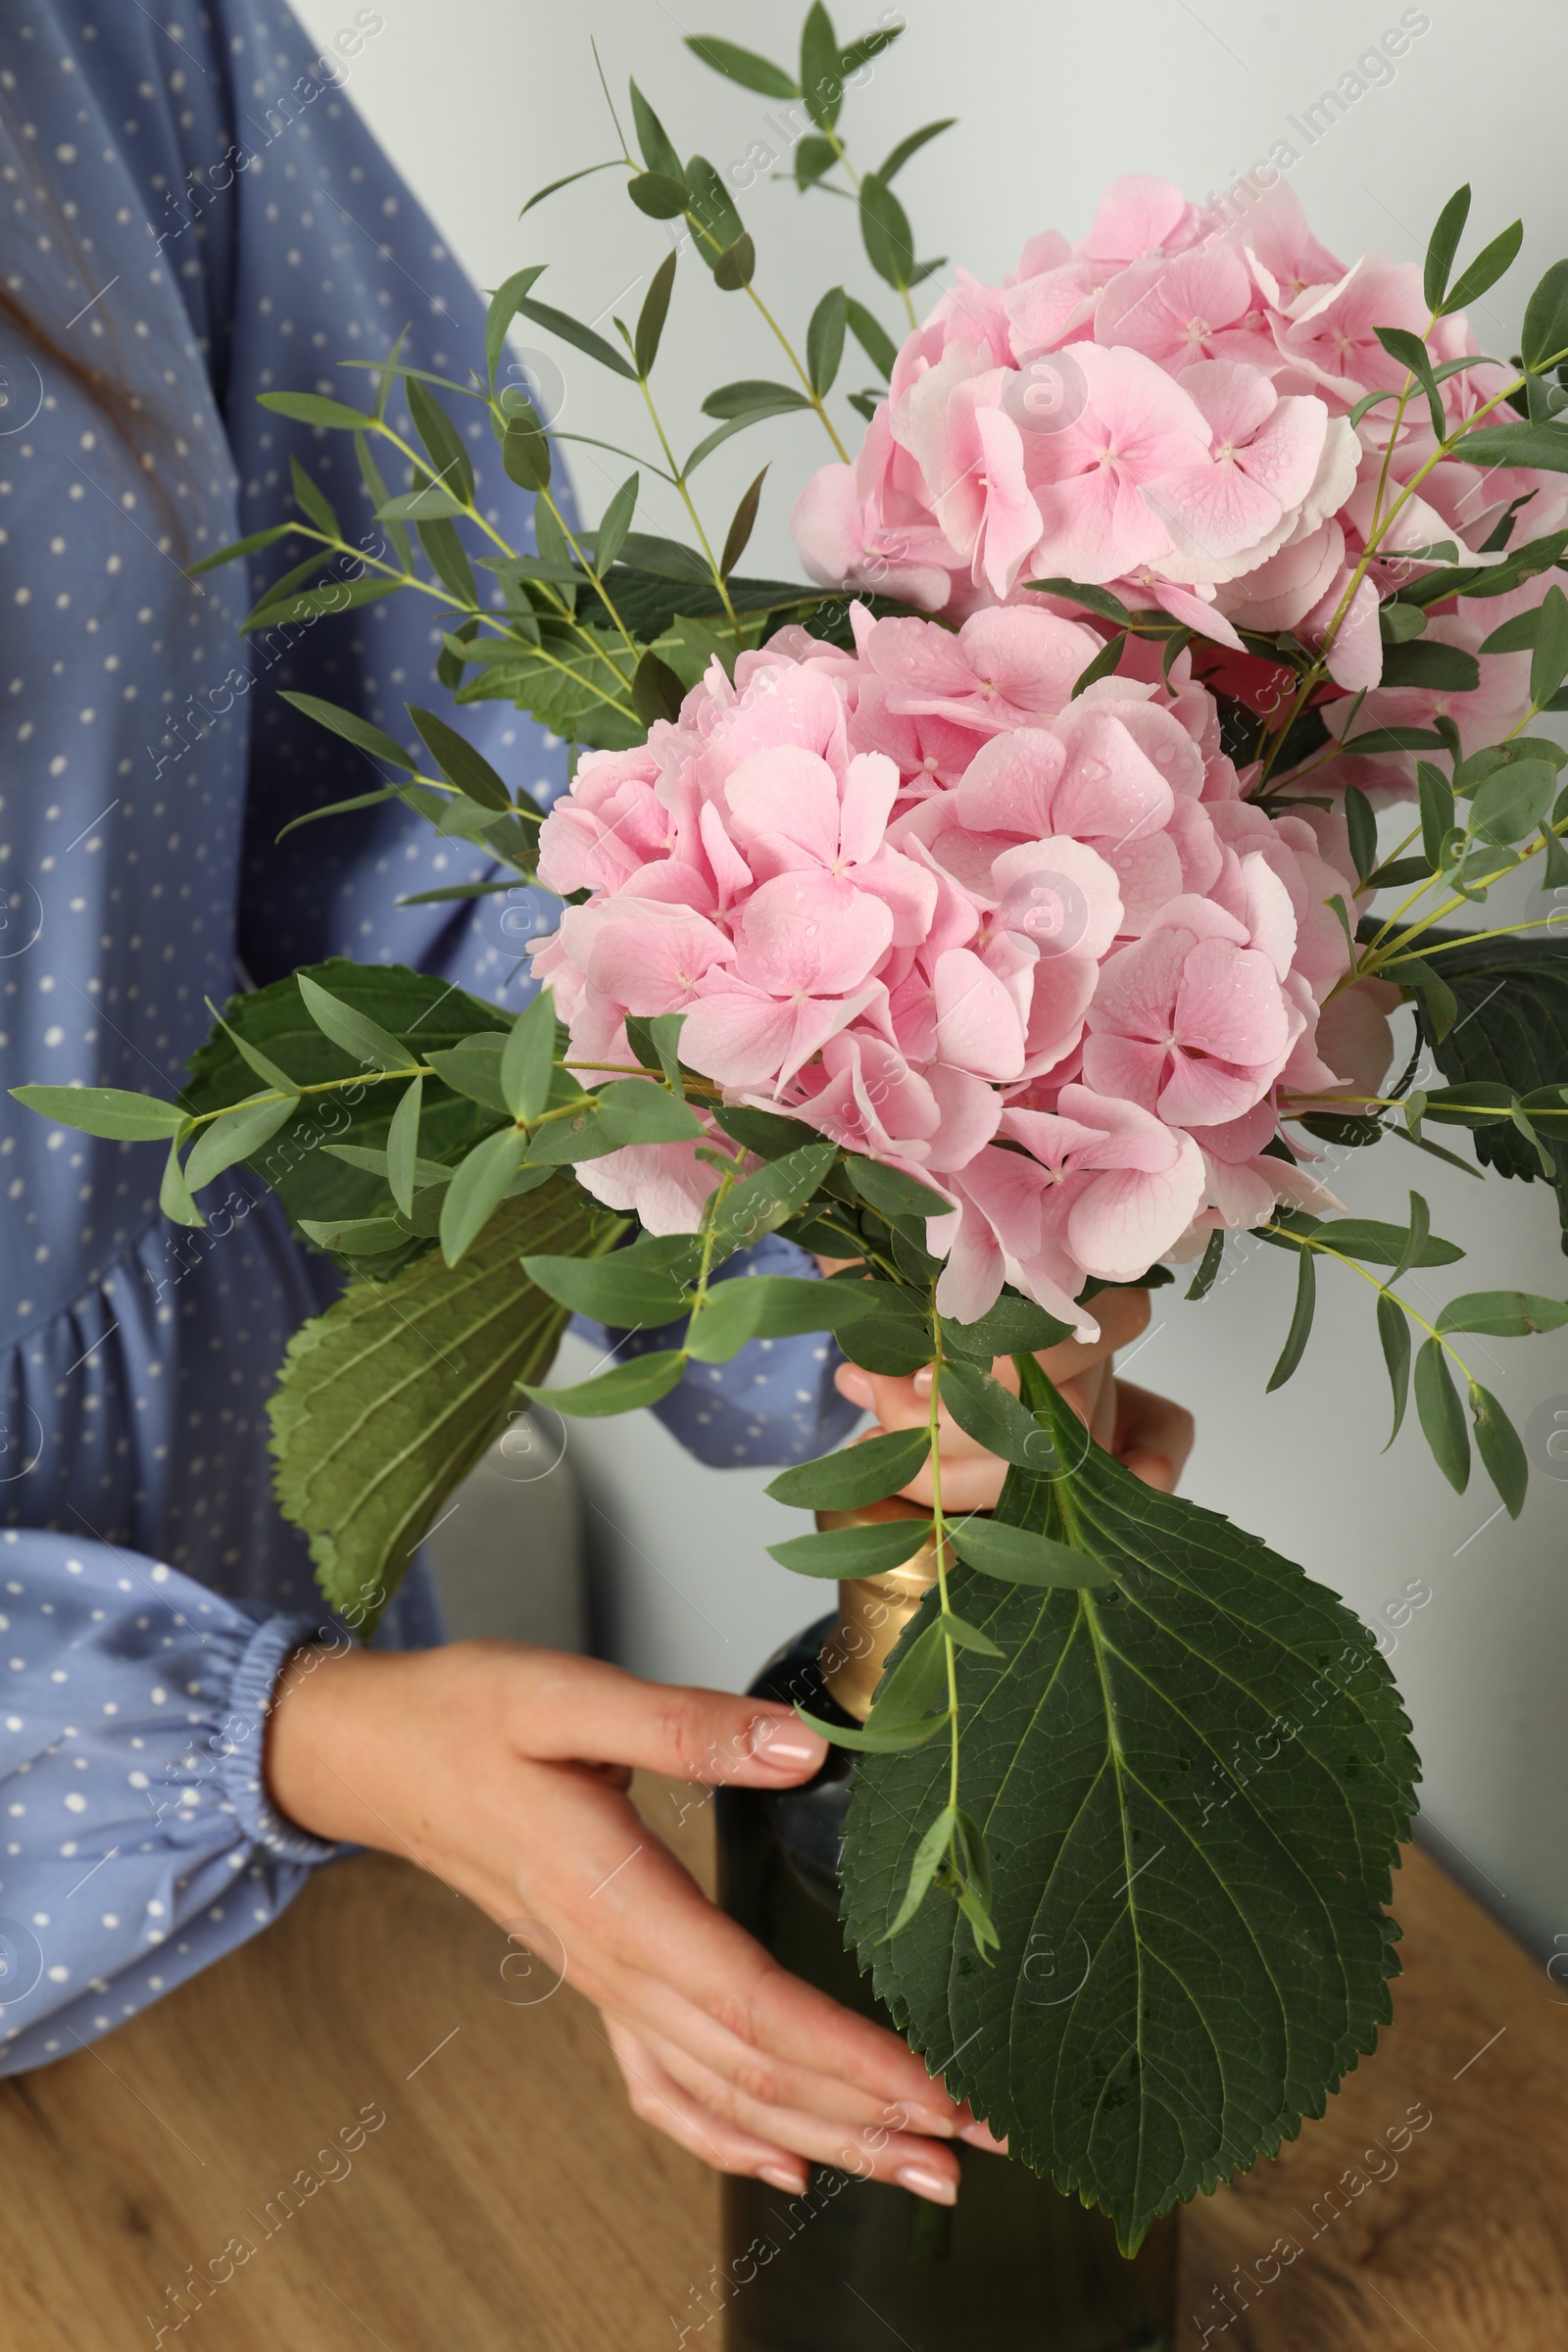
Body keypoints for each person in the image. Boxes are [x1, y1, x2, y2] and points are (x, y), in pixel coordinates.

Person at [0, 0, 1193, 2206]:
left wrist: (846, 1264)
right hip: (239, 1768)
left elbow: (415, 760)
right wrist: (237, 1740)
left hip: (284, 1717)